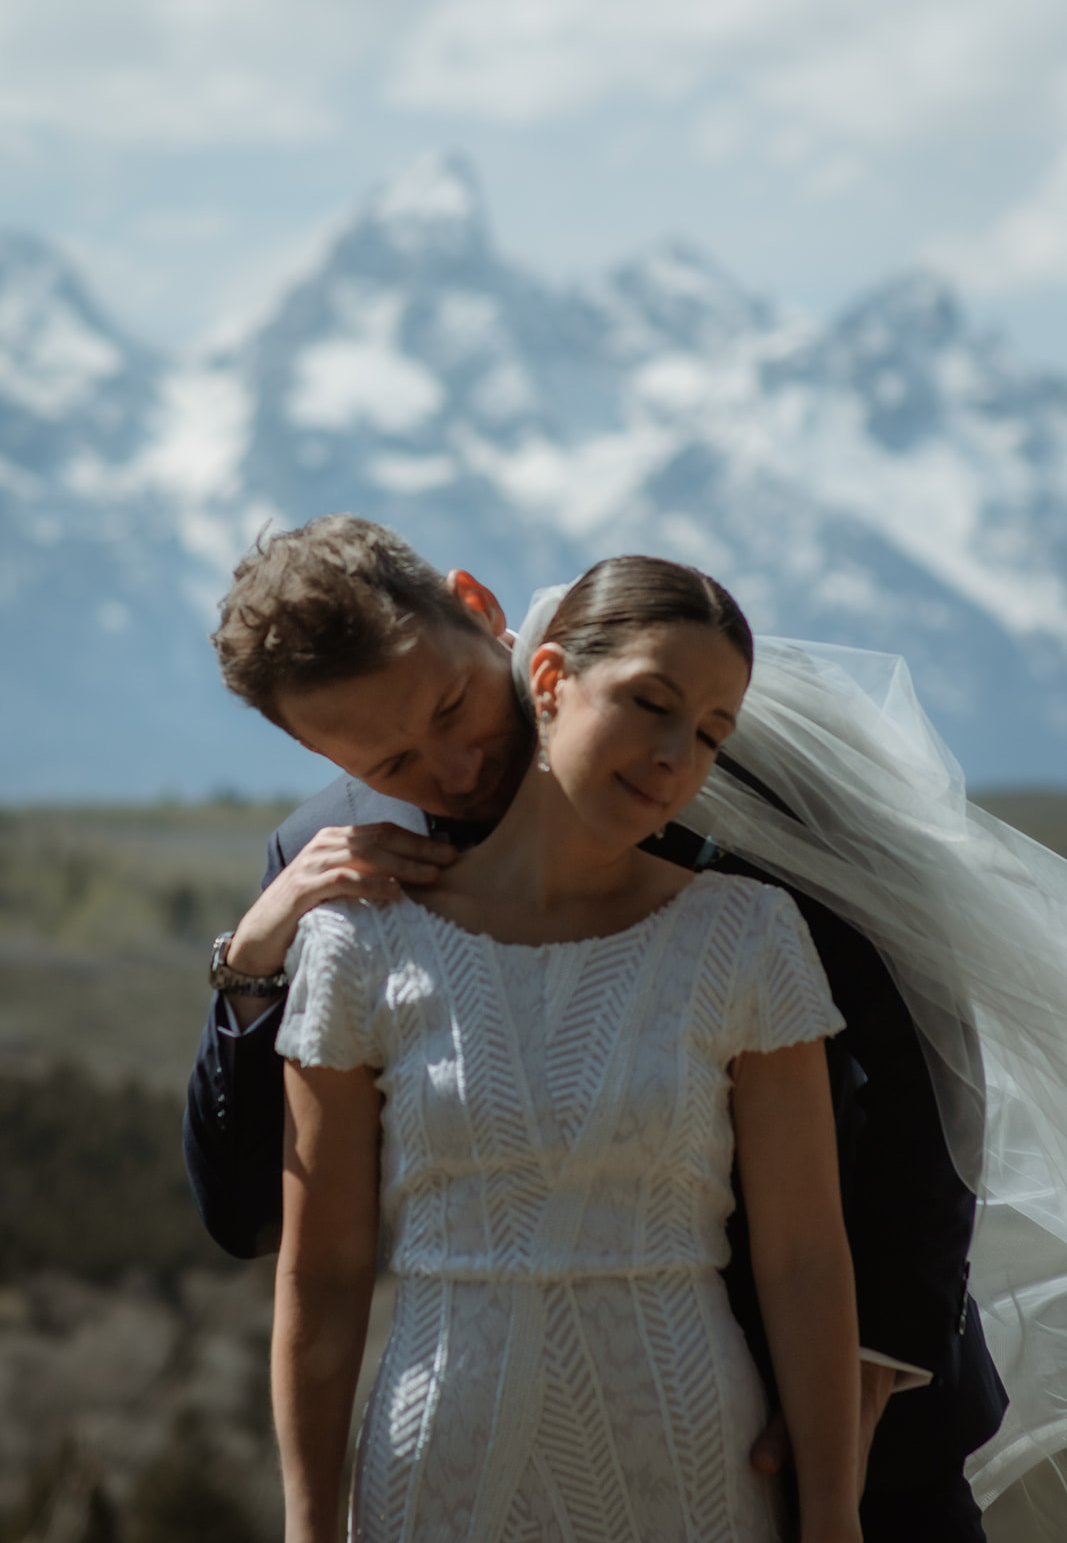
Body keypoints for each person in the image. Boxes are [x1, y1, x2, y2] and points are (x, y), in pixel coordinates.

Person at [183, 515, 1008, 1541]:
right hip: (473, 1442)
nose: (448, 767)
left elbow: (922, 1029)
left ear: (480, 611)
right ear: (315, 751)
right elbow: (252, 1214)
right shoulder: (325, 863)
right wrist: (253, 959)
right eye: (390, 758)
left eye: (451, 705)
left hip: (828, 1413)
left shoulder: (708, 759)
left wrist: (876, 1340)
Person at [272, 554, 861, 1543]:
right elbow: (322, 1271)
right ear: (547, 681)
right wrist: (307, 1524)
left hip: (687, 1457)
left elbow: (803, 1256)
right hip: (439, 1467)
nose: (678, 754)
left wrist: (833, 1512)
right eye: (650, 702)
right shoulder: (359, 941)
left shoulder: (748, 935)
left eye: (711, 732)